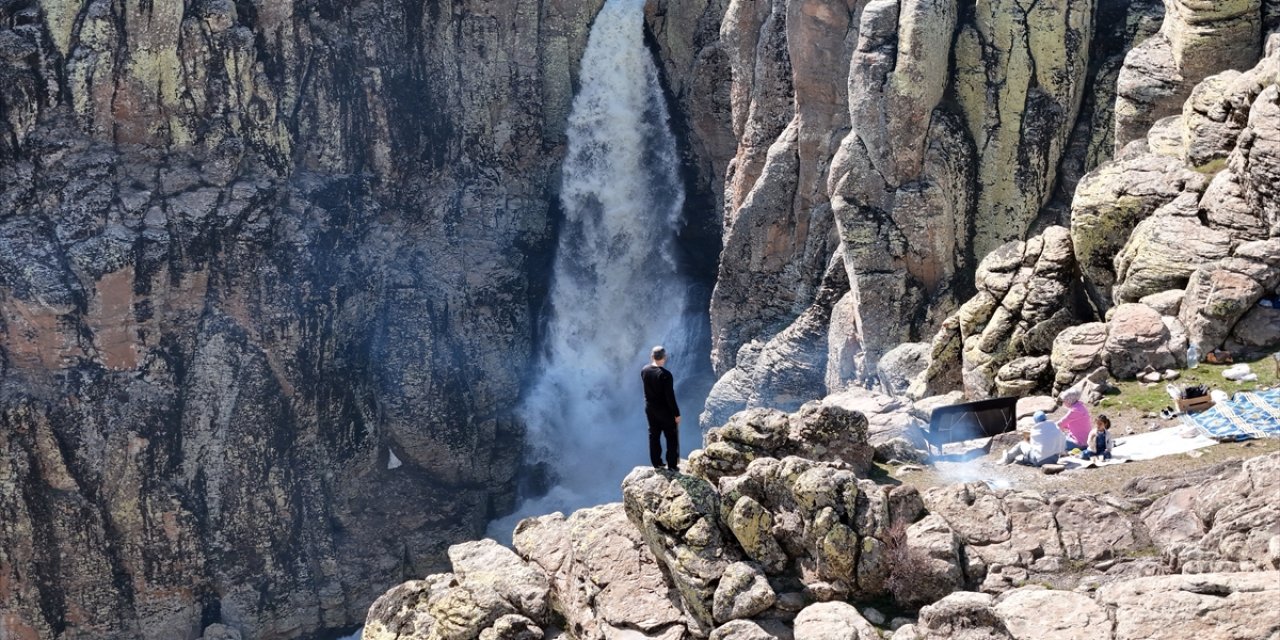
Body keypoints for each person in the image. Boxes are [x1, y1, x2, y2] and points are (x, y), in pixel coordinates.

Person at [641, 345, 681, 472]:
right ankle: (672, 466)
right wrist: (676, 414)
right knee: (671, 437)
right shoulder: (665, 375)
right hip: (665, 411)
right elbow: (670, 396)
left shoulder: (644, 370)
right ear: (664, 357)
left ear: (652, 356)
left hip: (650, 409)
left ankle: (657, 463)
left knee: (654, 435)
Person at [1001, 411, 1066, 466]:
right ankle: (1022, 458)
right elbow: (1062, 440)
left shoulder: (1035, 430)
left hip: (1039, 461)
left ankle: (1007, 459)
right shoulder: (1055, 427)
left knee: (1021, 444)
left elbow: (1033, 446)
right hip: (1054, 460)